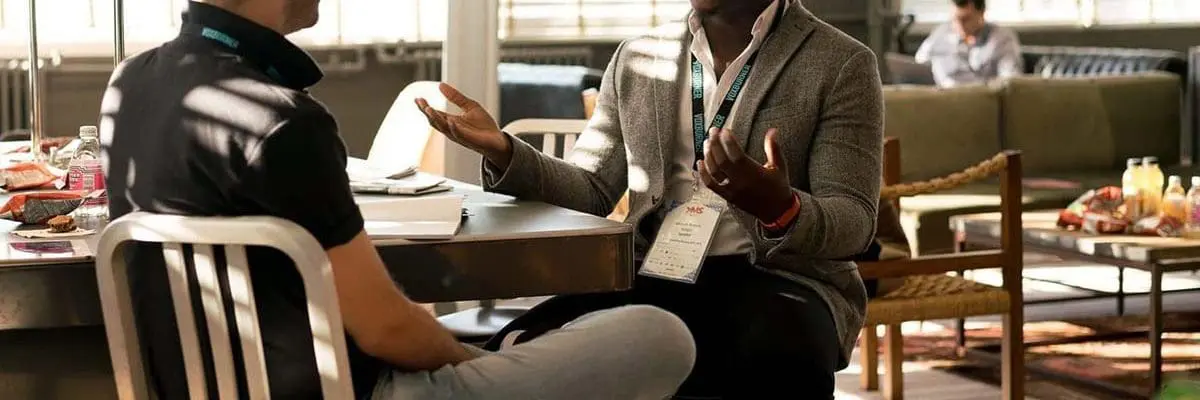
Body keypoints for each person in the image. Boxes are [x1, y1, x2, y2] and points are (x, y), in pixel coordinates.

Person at [99, 0, 695, 399]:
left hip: (191, 385)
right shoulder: (285, 122)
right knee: (658, 335)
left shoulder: (130, 83)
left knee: (522, 333)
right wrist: (474, 367)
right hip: (354, 391)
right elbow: (385, 329)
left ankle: (513, 348)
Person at [417, 0, 882, 397]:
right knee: (521, 346)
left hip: (779, 278)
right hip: (655, 273)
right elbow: (591, 189)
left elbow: (855, 221)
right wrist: (504, 151)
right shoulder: (639, 57)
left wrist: (780, 207)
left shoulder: (840, 62)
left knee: (777, 356)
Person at [915, 0, 1023, 87]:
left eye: (966, 19)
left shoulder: (1001, 38)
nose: (960, 26)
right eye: (955, 19)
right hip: (938, 96)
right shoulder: (943, 32)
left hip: (977, 98)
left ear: (982, 13)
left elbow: (1010, 81)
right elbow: (919, 62)